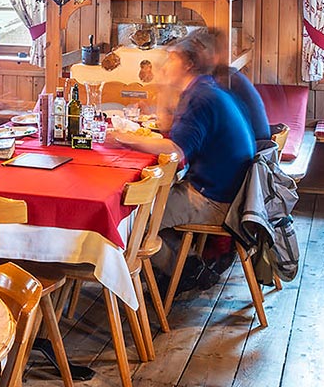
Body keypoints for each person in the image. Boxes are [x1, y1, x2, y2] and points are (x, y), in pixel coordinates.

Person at [110, 32, 255, 242]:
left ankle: (183, 271)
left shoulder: (201, 98)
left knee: (133, 219)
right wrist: (165, 90)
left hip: (215, 200)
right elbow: (172, 129)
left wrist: (125, 139)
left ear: (187, 64)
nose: (165, 66)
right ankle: (177, 265)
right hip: (228, 191)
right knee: (145, 204)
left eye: (171, 59)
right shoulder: (205, 89)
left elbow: (175, 151)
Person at [189, 27, 272, 148]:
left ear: (213, 55)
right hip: (257, 145)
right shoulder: (229, 76)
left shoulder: (223, 81)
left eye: (197, 54)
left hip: (252, 153)